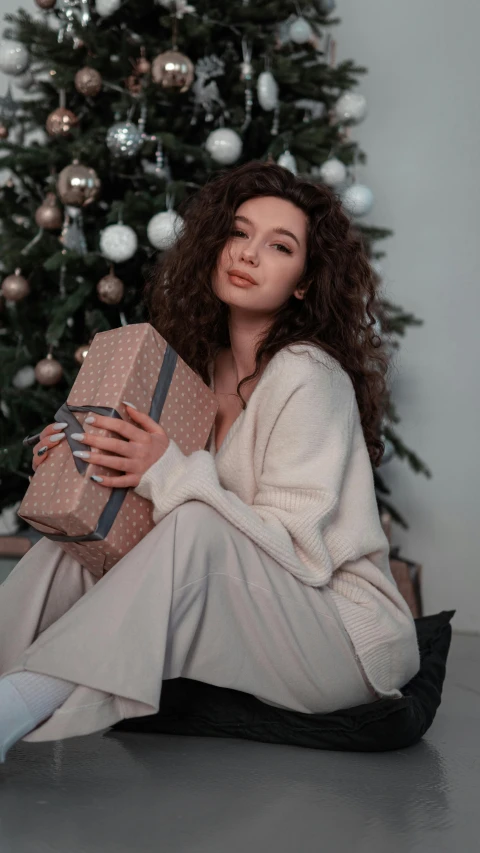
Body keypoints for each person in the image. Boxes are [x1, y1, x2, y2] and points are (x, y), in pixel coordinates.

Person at [0, 161, 420, 764]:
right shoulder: (195, 371)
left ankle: (18, 702)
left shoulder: (308, 373)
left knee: (194, 527)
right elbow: (152, 516)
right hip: (255, 614)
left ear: (304, 282)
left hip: (344, 638)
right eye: (238, 233)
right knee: (73, 546)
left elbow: (299, 554)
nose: (248, 254)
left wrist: (166, 469)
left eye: (279, 246)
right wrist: (81, 451)